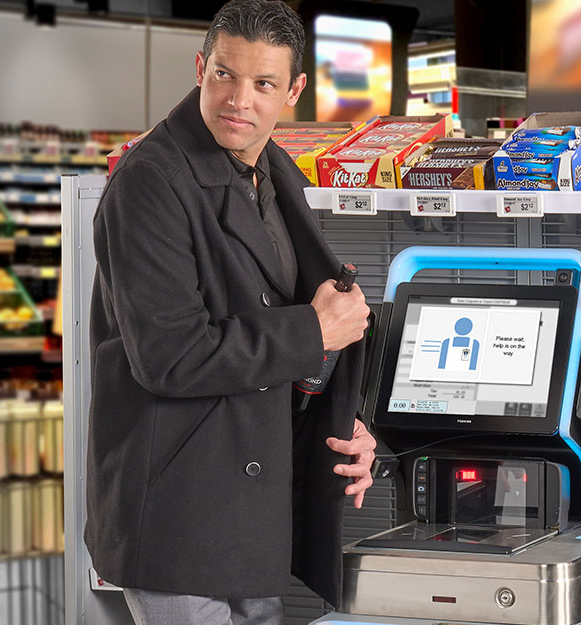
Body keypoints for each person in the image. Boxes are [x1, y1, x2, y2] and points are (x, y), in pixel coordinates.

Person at [85, 1, 375, 623]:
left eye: (264, 83)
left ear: (293, 90)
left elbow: (293, 312)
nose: (238, 99)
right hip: (178, 510)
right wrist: (315, 331)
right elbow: (171, 356)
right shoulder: (149, 182)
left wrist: (352, 420)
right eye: (224, 75)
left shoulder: (274, 170)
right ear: (199, 68)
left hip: (252, 512)